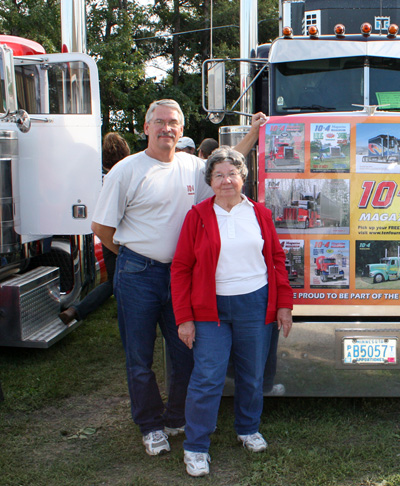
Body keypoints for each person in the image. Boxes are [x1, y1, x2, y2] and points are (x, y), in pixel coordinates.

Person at [91, 99, 266, 456]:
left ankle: (176, 418)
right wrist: (132, 254)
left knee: (186, 352)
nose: (166, 128)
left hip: (182, 277)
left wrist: (253, 132)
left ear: (181, 130)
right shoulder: (127, 170)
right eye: (159, 122)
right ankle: (150, 425)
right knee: (139, 356)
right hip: (138, 273)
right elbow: (101, 227)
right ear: (146, 127)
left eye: (173, 122)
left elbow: (228, 164)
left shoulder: (192, 167)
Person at [171, 147, 293, 477]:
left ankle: (248, 428)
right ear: (210, 181)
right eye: (219, 175)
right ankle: (196, 446)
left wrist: (284, 304)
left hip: (255, 304)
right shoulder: (197, 216)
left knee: (252, 373)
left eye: (232, 174)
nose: (226, 180)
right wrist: (184, 318)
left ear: (243, 178)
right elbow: (181, 268)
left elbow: (276, 260)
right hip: (210, 309)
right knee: (207, 377)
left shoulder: (260, 214)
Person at [59, 132, 130, 325]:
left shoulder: (97, 179)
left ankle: (76, 310)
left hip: (104, 232)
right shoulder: (126, 176)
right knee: (120, 281)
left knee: (115, 279)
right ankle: (78, 310)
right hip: (125, 232)